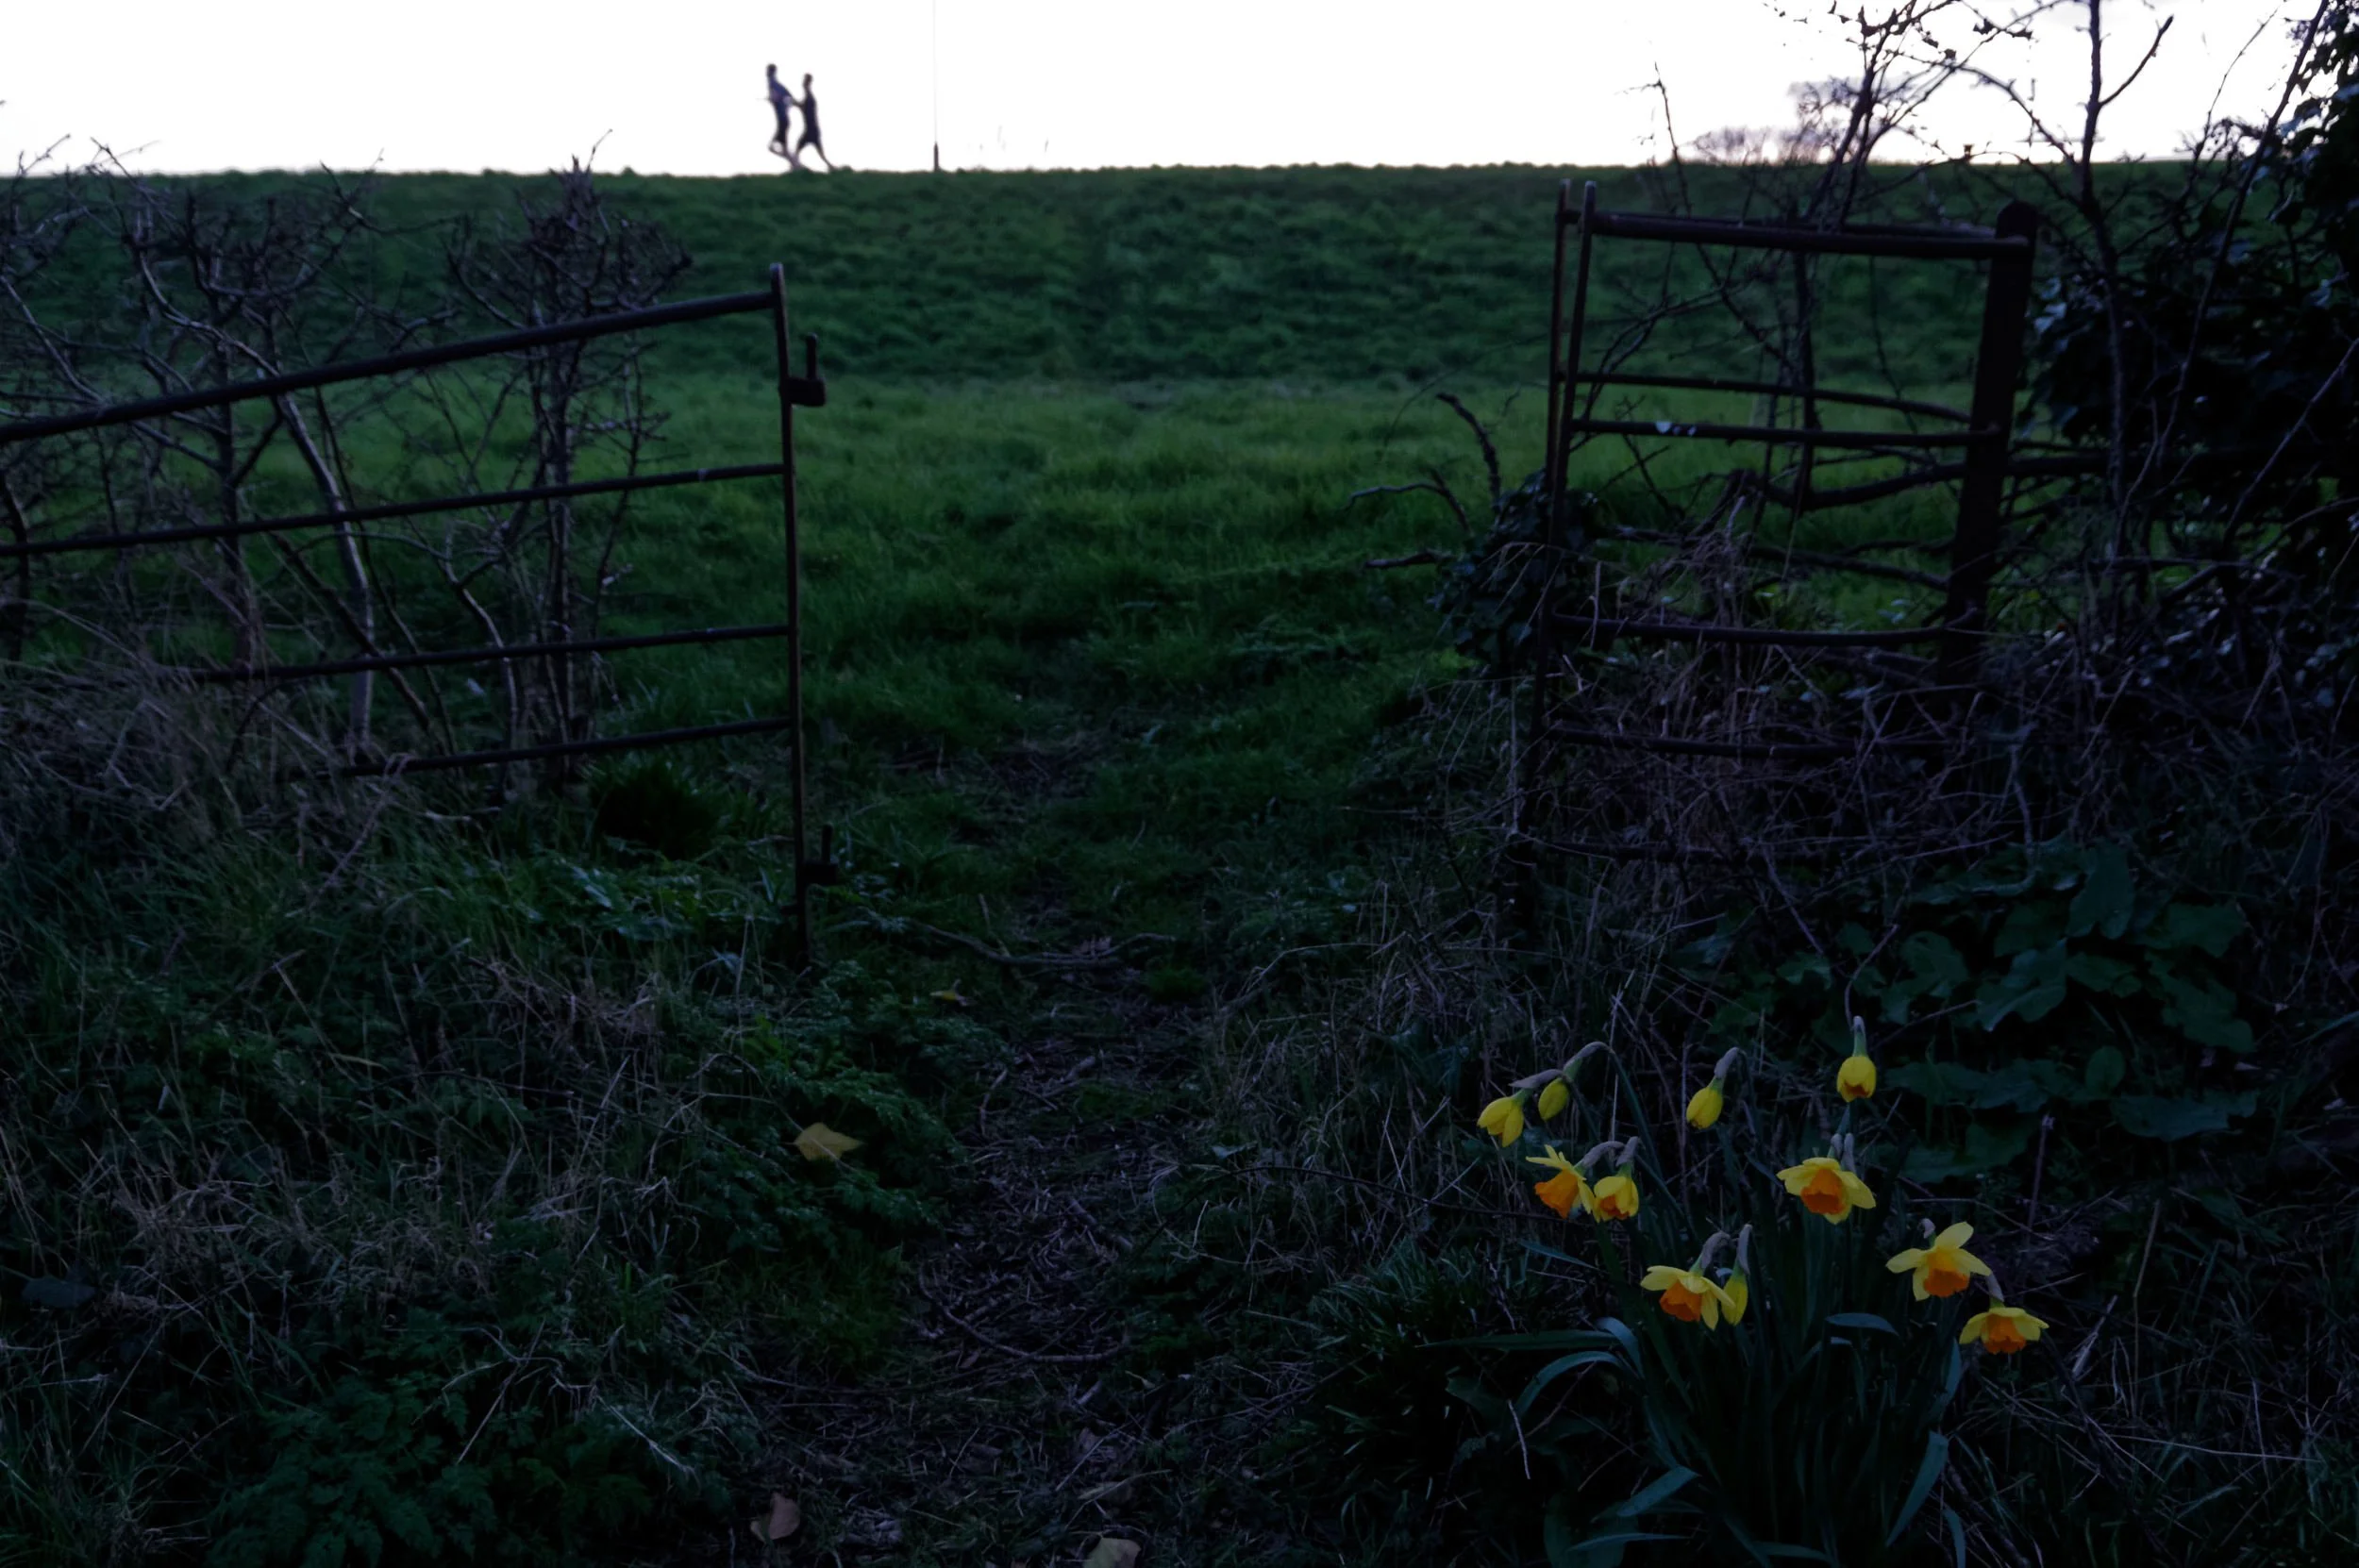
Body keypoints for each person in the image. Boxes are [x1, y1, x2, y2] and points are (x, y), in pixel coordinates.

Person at [794, 73, 834, 171]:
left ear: (808, 82)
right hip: (812, 128)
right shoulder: (809, 96)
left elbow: (803, 108)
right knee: (819, 152)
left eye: (805, 80)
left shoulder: (809, 96)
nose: (803, 83)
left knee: (799, 149)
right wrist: (795, 104)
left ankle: (795, 167)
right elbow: (803, 107)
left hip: (810, 129)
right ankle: (831, 167)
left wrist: (794, 103)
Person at [764, 64, 801, 168]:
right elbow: (788, 96)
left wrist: (773, 99)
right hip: (783, 121)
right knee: (781, 147)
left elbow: (777, 97)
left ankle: (796, 164)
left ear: (771, 71)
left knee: (773, 147)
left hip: (782, 121)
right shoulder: (776, 84)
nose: (766, 73)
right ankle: (795, 164)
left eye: (767, 70)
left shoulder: (772, 83)